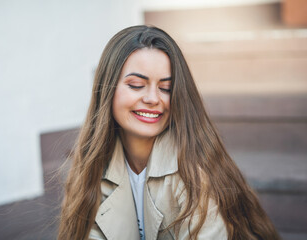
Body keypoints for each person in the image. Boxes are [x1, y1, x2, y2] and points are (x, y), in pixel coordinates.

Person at [58, 25, 280, 240]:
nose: (153, 99)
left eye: (166, 88)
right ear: (107, 89)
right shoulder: (93, 166)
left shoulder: (195, 173)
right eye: (136, 85)